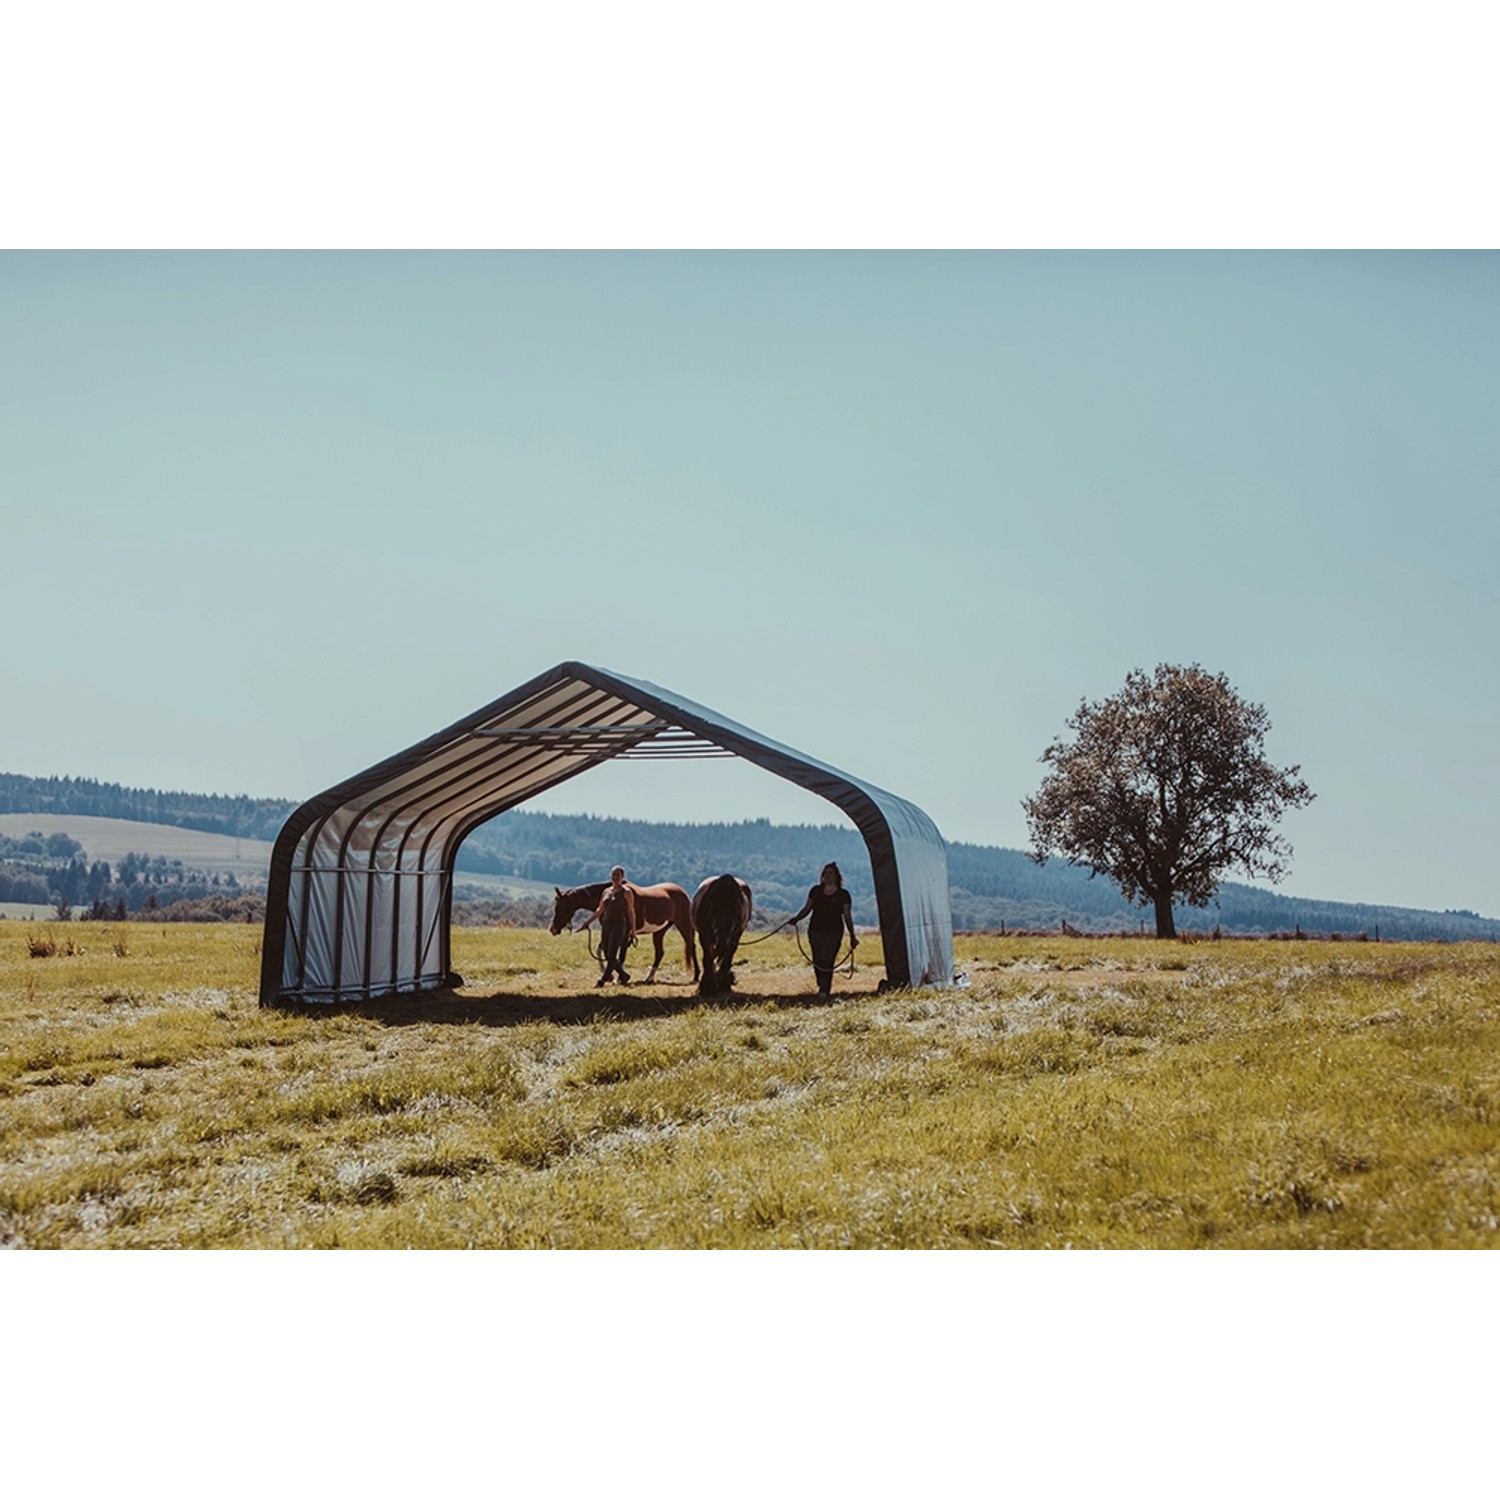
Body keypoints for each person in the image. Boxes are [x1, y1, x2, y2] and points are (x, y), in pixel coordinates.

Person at [790, 862, 858, 997]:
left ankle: (824, 990)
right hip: (815, 930)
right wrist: (796, 919)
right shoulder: (815, 891)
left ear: (837, 877)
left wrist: (852, 935)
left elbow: (847, 916)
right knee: (817, 960)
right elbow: (807, 908)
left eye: (831, 873)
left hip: (834, 932)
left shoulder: (843, 895)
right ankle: (822, 985)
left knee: (827, 959)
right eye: (825, 873)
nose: (827, 876)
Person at [581, 866, 637, 986]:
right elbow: (600, 909)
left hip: (619, 924)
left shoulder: (627, 892)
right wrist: (588, 922)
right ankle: (624, 975)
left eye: (618, 875)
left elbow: (630, 912)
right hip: (606, 924)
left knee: (611, 954)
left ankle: (603, 980)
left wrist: (633, 930)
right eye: (613, 875)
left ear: (622, 877)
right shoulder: (606, 892)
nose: (615, 877)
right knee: (607, 953)